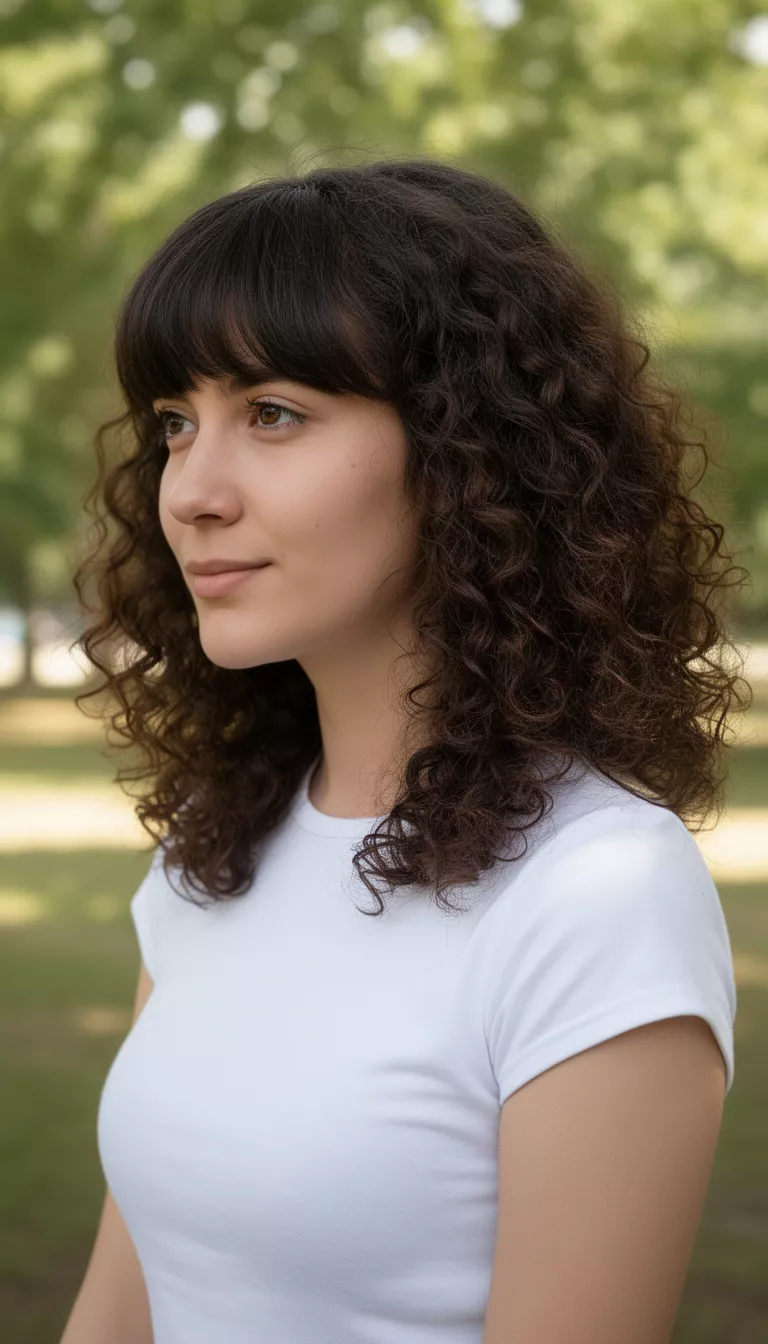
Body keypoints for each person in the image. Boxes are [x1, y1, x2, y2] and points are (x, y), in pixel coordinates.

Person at [61, 157, 748, 1344]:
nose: (190, 492)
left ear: (465, 453)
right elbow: (126, 1306)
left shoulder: (597, 894)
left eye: (271, 413)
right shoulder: (208, 858)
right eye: (177, 423)